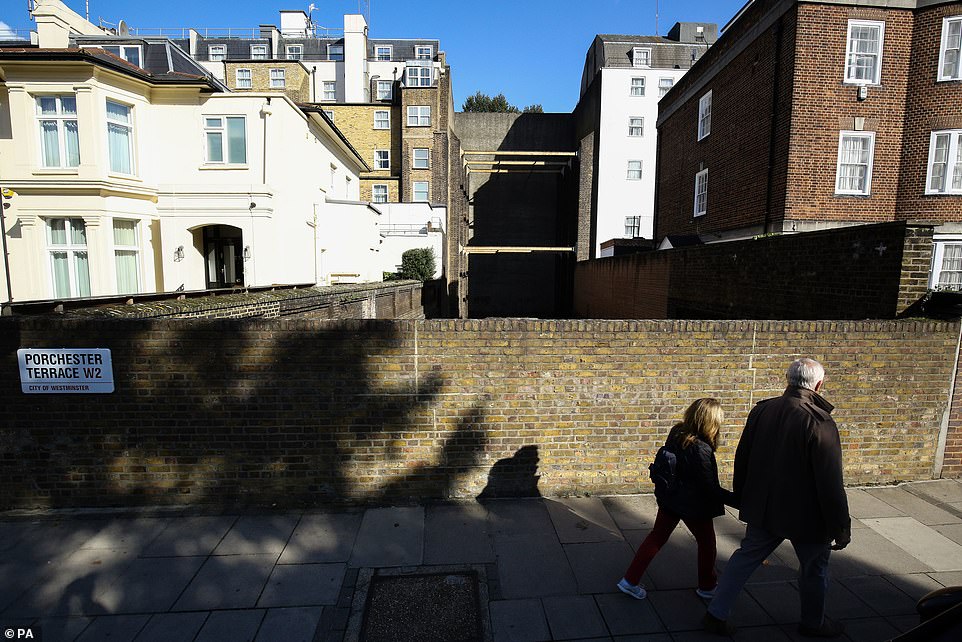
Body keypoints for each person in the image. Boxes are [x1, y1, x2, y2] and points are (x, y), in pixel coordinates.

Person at [703, 358, 851, 639]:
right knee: (814, 568)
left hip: (764, 507)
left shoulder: (763, 410)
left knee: (745, 557)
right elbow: (830, 482)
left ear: (788, 380)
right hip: (805, 515)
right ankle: (813, 623)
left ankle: (716, 612)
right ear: (818, 384)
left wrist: (743, 497)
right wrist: (841, 526)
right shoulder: (819, 421)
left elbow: (742, 457)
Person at [617, 398, 736, 600]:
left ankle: (629, 581)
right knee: (707, 544)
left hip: (671, 498)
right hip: (692, 506)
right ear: (711, 421)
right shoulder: (702, 449)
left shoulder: (678, 432)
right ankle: (707, 586)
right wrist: (738, 501)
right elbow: (709, 487)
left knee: (656, 537)